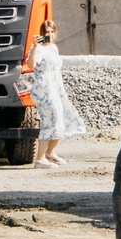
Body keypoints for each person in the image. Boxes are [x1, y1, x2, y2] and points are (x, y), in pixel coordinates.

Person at [22, 19, 85, 166]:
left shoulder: (54, 48)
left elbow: (56, 71)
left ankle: (50, 152)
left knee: (59, 119)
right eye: (46, 32)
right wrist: (36, 47)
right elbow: (31, 65)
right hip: (43, 89)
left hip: (55, 88)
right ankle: (40, 158)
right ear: (41, 34)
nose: (49, 35)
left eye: (51, 32)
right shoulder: (37, 48)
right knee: (50, 120)